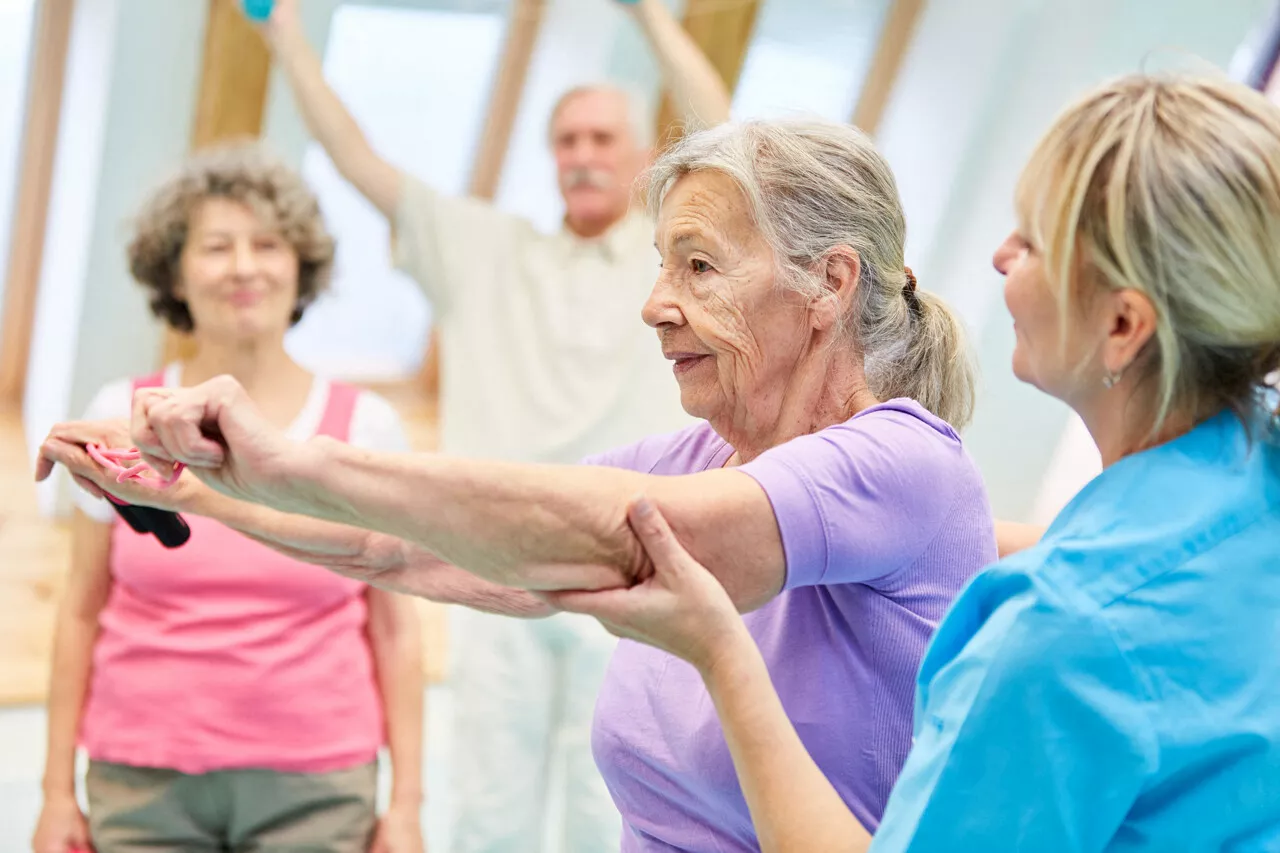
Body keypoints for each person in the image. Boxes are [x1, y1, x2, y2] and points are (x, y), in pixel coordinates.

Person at [42, 118, 998, 851]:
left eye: (698, 267)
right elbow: (399, 548)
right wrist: (200, 493)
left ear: (831, 282)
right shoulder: (695, 458)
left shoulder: (904, 460)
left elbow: (633, 537)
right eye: (663, 265)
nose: (656, 303)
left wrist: (288, 458)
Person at [539, 73, 1280, 851]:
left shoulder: (1056, 632)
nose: (999, 258)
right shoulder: (1242, 502)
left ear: (1124, 326)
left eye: (1029, 242)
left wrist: (721, 651)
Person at [247, 0, 733, 846]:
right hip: (494, 569)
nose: (583, 156)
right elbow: (356, 159)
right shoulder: (482, 251)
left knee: (614, 807)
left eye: (602, 139)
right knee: (489, 811)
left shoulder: (671, 259)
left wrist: (653, 18)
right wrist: (283, 35)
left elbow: (724, 135)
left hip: (640, 568)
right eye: (567, 141)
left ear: (645, 156)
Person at [31, 144, 427, 853]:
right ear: (174, 273)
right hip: (141, 781)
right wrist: (57, 792)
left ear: (299, 266)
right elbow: (81, 610)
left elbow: (395, 630)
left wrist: (406, 807)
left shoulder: (366, 425)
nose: (244, 266)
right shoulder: (117, 414)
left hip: (320, 783)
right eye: (217, 246)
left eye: (267, 244)